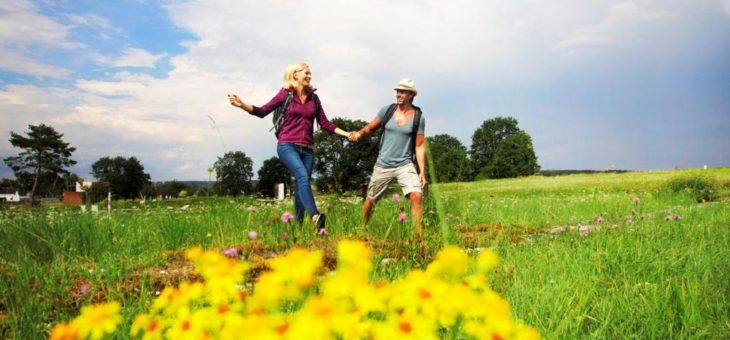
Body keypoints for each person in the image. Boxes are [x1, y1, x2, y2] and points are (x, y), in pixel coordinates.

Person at [228, 62, 351, 234]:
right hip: (287, 145)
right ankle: (316, 217)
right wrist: (242, 105)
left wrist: (347, 134)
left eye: (310, 74)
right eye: (306, 73)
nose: (309, 76)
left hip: (308, 150)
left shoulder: (314, 99)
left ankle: (298, 231)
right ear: (295, 75)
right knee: (302, 177)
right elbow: (263, 111)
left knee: (302, 185)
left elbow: (325, 124)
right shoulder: (285, 95)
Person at [349, 78, 427, 236]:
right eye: (397, 91)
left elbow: (419, 145)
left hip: (405, 164)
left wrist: (422, 172)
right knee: (370, 201)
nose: (398, 94)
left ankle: (418, 238)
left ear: (411, 95)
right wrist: (359, 133)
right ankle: (361, 231)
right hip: (383, 165)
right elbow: (370, 128)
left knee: (417, 195)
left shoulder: (418, 117)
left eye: (403, 91)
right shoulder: (387, 111)